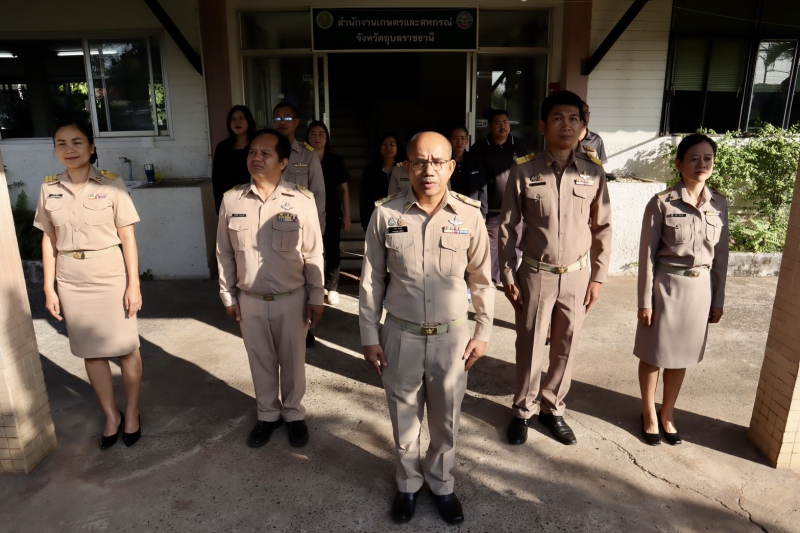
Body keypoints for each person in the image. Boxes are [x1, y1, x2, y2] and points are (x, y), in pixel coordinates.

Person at [360, 132, 494, 525]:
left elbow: (482, 280)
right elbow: (372, 281)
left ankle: (441, 483)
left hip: (452, 337)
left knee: (446, 418)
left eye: (437, 162)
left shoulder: (469, 214)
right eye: (419, 162)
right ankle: (407, 484)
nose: (428, 170)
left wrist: (483, 331)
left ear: (451, 167)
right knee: (403, 417)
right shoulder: (386, 214)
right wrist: (369, 335)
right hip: (400, 334)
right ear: (407, 167)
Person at [500, 90, 612, 447]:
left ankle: (552, 408)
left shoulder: (594, 172)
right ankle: (523, 410)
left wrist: (598, 277)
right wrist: (507, 274)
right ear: (543, 126)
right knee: (530, 346)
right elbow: (507, 227)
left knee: (566, 345)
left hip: (577, 276)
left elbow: (603, 228)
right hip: (535, 274)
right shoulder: (524, 170)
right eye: (558, 118)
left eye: (573, 119)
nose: (566, 125)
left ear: (583, 128)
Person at [34, 120, 143, 450]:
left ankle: (133, 412)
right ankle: (111, 415)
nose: (69, 149)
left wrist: (133, 285)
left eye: (77, 142)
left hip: (109, 273)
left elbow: (128, 237)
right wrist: (49, 287)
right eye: (61, 143)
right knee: (90, 352)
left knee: (126, 348)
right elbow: (49, 239)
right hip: (71, 277)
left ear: (92, 147)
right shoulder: (49, 188)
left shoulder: (111, 184)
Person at [216, 128, 324, 449]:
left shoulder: (302, 200)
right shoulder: (232, 200)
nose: (256, 157)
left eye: (266, 153)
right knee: (260, 360)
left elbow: (313, 253)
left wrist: (316, 296)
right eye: (252, 152)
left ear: (283, 162)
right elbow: (224, 253)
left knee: (292, 362)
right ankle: (267, 414)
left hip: (291, 298)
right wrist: (227, 294)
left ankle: (293, 414)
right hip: (249, 298)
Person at [634, 134, 728, 446]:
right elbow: (647, 255)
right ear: (679, 164)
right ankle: (649, 412)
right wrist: (645, 301)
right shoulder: (662, 203)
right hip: (666, 288)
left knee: (681, 356)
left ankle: (667, 413)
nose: (702, 164)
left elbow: (721, 257)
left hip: (700, 291)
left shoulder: (719, 204)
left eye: (707, 158)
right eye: (694, 158)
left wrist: (718, 299)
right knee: (653, 353)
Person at [470, 109, 528, 286]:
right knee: (492, 246)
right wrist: (481, 209)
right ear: (490, 126)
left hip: (516, 206)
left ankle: (510, 279)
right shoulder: (480, 148)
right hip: (492, 208)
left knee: (514, 243)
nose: (502, 126)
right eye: (498, 122)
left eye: (505, 122)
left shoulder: (519, 146)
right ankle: (493, 280)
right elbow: (477, 181)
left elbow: (526, 175)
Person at [307, 120, 351, 306]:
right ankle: (314, 286)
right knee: (309, 250)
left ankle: (332, 288)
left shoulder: (335, 160)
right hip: (308, 212)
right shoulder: (303, 159)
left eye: (321, 134)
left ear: (327, 138)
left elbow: (344, 189)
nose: (317, 137)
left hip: (332, 210)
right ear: (307, 138)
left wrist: (347, 214)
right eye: (313, 134)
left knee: (332, 249)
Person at [271, 102, 326, 232]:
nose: (282, 122)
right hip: (270, 220)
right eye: (277, 118)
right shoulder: (263, 153)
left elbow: (318, 192)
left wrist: (318, 226)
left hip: (299, 221)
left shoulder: (308, 154)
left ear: (297, 122)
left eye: (287, 118)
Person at [212, 105, 257, 212]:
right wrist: (220, 207)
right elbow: (217, 180)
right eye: (233, 119)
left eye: (241, 118)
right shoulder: (222, 147)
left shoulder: (257, 145)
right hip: (231, 202)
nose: (237, 122)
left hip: (255, 199)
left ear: (249, 121)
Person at [359, 133, 402, 231]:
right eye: (384, 144)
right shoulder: (370, 170)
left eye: (392, 144)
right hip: (376, 218)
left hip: (399, 218)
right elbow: (364, 197)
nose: (388, 148)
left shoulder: (404, 170)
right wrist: (365, 222)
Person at [449, 126, 488, 218]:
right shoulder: (445, 161)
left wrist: (483, 214)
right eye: (455, 138)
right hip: (449, 208)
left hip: (471, 209)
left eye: (463, 138)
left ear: (467, 140)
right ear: (449, 140)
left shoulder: (475, 160)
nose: (459, 142)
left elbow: (482, 188)